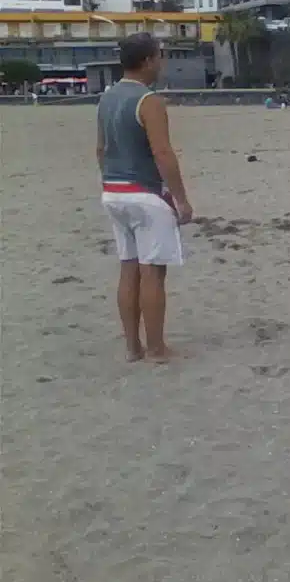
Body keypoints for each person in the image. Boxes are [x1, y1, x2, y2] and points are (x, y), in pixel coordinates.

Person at [96, 33, 193, 363]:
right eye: (160, 57)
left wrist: (108, 182)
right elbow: (162, 152)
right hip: (144, 194)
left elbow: (100, 149)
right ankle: (156, 347)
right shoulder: (149, 100)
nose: (162, 63)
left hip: (113, 191)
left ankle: (133, 347)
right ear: (149, 60)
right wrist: (181, 200)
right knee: (153, 271)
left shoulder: (106, 98)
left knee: (129, 268)